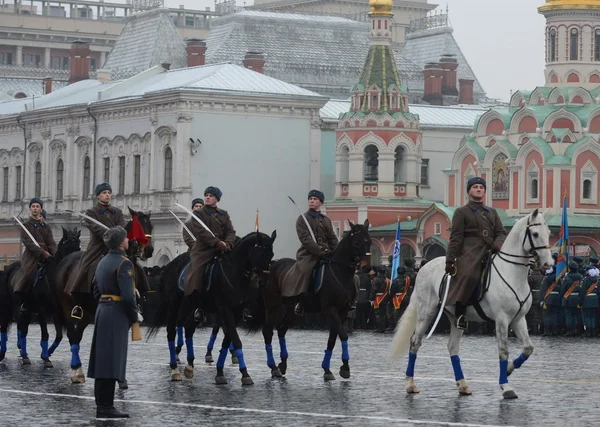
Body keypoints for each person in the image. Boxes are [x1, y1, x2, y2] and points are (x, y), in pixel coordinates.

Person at [88, 226, 139, 419]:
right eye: (126, 238)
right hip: (116, 313)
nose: (128, 241)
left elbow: (95, 290)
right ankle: (106, 406)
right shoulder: (124, 263)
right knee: (111, 360)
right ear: (120, 242)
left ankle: (102, 404)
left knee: (102, 360)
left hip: (103, 310)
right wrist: (134, 317)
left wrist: (103, 304)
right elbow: (127, 296)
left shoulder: (102, 261)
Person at [445, 177, 507, 330]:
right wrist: (450, 260)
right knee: (469, 275)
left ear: (485, 191)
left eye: (481, 187)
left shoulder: (492, 212)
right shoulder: (461, 212)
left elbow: (501, 232)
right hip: (469, 251)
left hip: (491, 249)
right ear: (469, 191)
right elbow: (456, 237)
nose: (479, 189)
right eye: (475, 187)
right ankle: (460, 312)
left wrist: (497, 244)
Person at [65, 183, 126, 299]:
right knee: (86, 267)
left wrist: (118, 233)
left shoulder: (118, 212)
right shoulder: (91, 213)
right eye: (104, 193)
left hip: (116, 246)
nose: (107, 195)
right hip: (98, 247)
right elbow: (94, 228)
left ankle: (142, 295)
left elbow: (122, 226)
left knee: (133, 265)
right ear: (98, 196)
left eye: (109, 193)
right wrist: (110, 234)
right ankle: (77, 296)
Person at [285, 189, 338, 316]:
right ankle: (301, 301)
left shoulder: (326, 220)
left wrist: (335, 251)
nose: (312, 201)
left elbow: (332, 238)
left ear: (321, 202)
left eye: (315, 199)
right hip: (309, 254)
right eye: (310, 199)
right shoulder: (303, 219)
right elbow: (305, 239)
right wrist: (319, 251)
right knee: (305, 270)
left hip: (327, 253)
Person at [184, 186, 236, 296]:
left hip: (224, 248)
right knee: (197, 270)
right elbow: (202, 232)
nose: (207, 198)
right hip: (204, 250)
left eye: (211, 196)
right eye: (206, 195)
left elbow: (230, 231)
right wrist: (217, 243)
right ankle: (196, 297)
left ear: (217, 199)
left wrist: (228, 243)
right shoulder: (198, 214)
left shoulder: (223, 214)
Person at [13, 198, 57, 294]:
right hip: (32, 257)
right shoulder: (26, 225)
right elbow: (28, 243)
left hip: (47, 256)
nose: (35, 208)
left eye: (37, 207)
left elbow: (51, 243)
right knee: (28, 274)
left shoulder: (46, 227)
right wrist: (42, 252)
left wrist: (55, 254)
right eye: (33, 206)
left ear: (41, 209)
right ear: (30, 209)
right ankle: (22, 296)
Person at [561, 261, 583, 336]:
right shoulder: (580, 276)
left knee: (569, 315)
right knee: (577, 314)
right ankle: (577, 330)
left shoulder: (567, 277)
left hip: (568, 298)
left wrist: (561, 298)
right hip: (578, 297)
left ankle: (570, 330)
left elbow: (563, 288)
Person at [580, 267, 600, 337]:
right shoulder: (597, 280)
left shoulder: (585, 280)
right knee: (593, 316)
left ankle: (588, 331)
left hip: (587, 299)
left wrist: (580, 302)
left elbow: (582, 291)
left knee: (587, 316)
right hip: (595, 299)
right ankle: (593, 331)